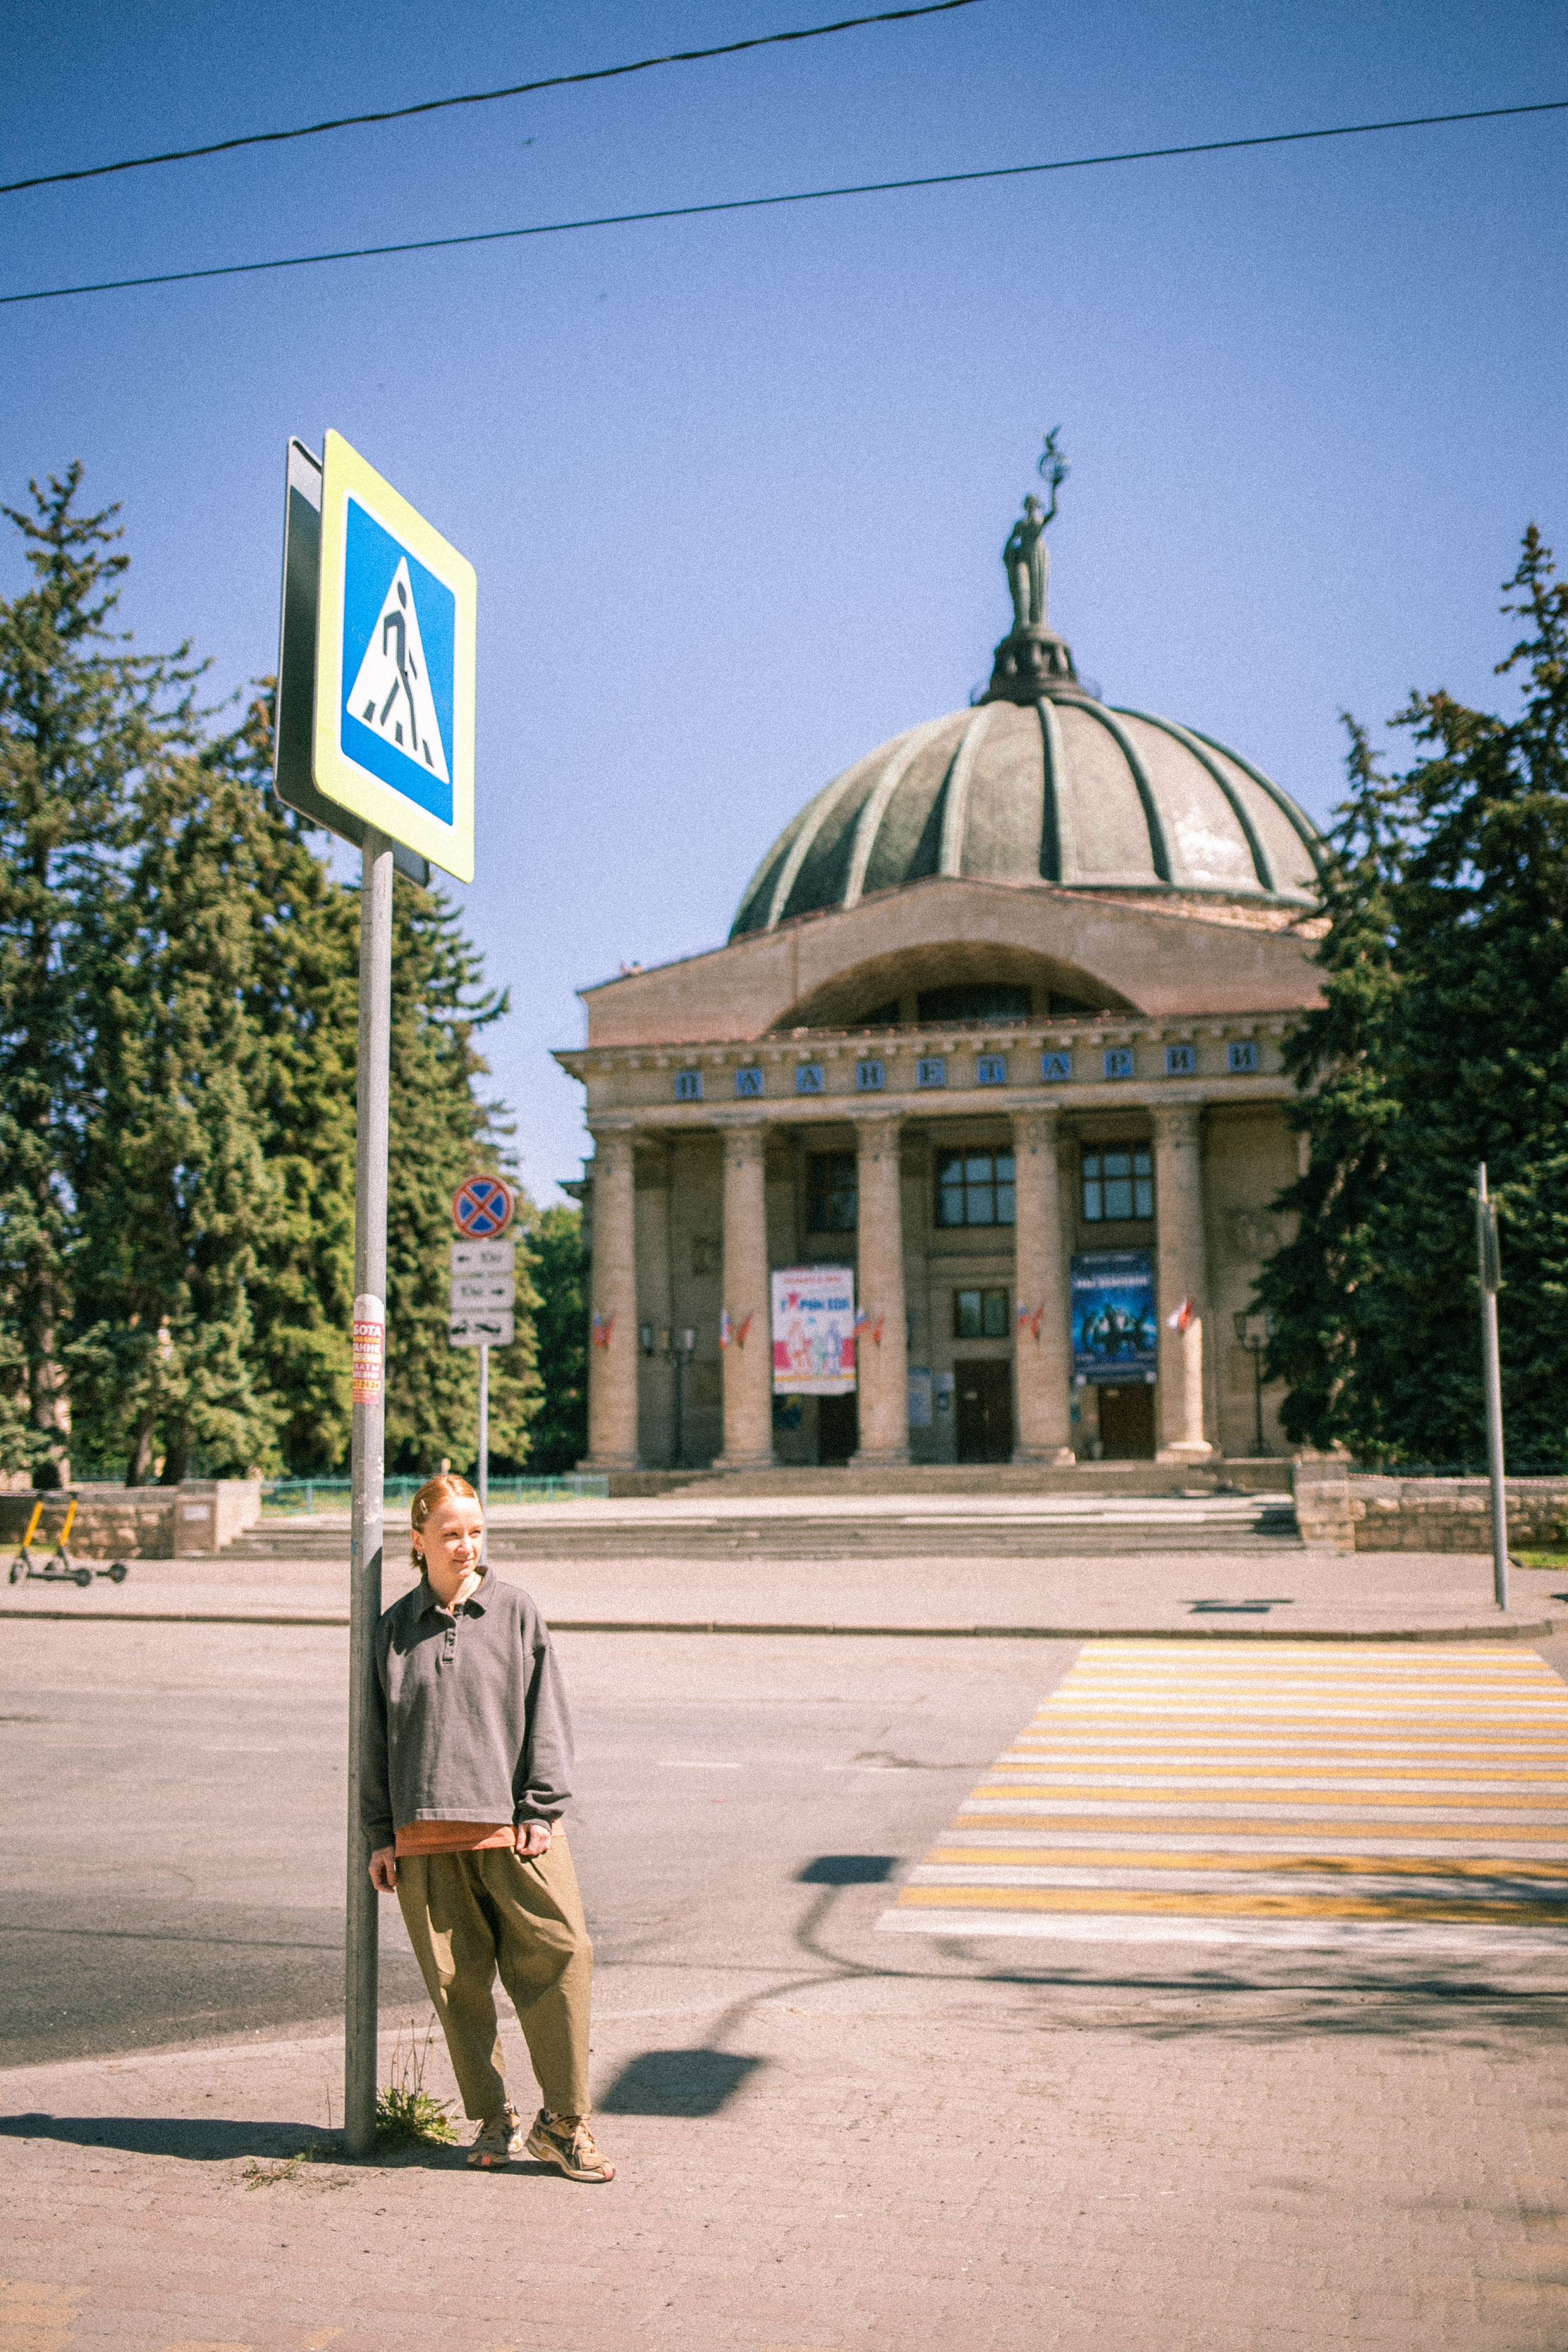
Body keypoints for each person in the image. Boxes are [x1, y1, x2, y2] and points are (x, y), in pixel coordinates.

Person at [363, 1470, 614, 2182]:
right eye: (450, 1534)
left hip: (515, 1831)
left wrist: (541, 1808)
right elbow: (373, 1739)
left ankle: (563, 2122)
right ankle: (494, 2115)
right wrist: (379, 1833)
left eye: (475, 1532)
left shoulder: (515, 1611)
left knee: (565, 1955)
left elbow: (548, 1716)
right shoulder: (392, 1631)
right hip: (425, 1837)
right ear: (418, 1542)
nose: (467, 1546)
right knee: (458, 1983)